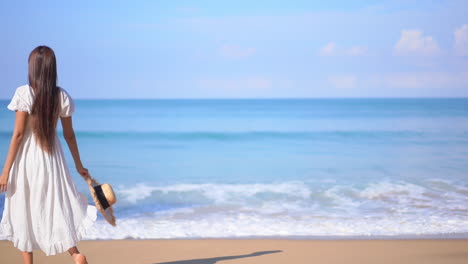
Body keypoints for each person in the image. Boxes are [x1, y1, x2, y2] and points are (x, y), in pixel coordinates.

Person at [0, 46, 97, 264]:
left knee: (23, 207)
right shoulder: (61, 96)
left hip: (26, 161)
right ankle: (76, 254)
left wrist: (5, 171)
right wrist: (80, 166)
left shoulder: (23, 93)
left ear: (32, 68)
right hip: (52, 160)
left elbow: (17, 136)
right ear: (52, 69)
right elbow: (70, 136)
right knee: (55, 206)